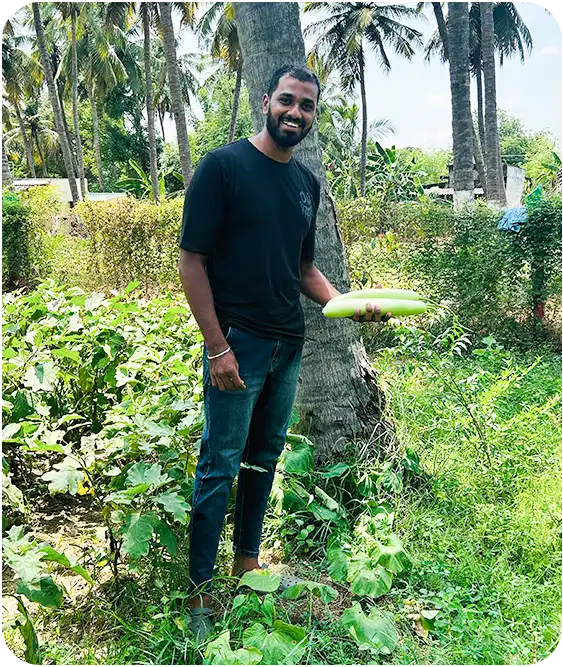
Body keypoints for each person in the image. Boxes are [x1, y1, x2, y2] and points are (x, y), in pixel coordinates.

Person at [178, 63, 390, 639]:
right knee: (219, 464)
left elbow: (302, 268)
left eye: (307, 107)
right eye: (288, 102)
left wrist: (349, 303)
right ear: (267, 101)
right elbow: (191, 261)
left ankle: (247, 562)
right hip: (237, 344)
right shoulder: (223, 168)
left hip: (286, 345)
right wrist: (217, 346)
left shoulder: (305, 183)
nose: (296, 113)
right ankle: (200, 597)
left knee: (262, 460)